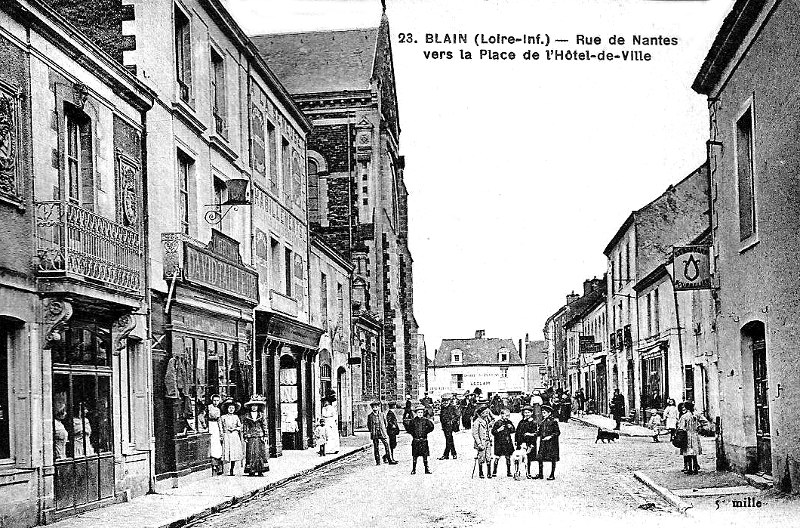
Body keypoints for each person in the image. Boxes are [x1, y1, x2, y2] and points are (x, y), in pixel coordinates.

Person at [677, 401, 709, 474]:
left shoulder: (684, 416)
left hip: (686, 435)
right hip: (694, 435)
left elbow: (681, 427)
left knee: (688, 452)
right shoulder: (696, 415)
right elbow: (705, 421)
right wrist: (700, 427)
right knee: (694, 452)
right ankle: (695, 469)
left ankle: (690, 469)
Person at [242, 396, 269, 476]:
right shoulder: (247, 415)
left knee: (260, 453)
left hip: (259, 435)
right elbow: (245, 426)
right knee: (250, 453)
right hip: (250, 435)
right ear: (250, 407)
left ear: (258, 407)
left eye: (255, 406)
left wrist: (265, 435)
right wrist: (245, 435)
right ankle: (251, 470)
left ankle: (260, 470)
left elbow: (264, 425)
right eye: (252, 406)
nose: (254, 407)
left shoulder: (261, 415)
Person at [406, 405, 434, 474]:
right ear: (416, 413)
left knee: (425, 456)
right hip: (416, 441)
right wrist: (414, 434)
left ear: (423, 413)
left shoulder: (426, 420)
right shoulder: (413, 421)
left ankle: (426, 469)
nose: (420, 414)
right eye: (419, 412)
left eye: (421, 412)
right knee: (415, 456)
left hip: (423, 440)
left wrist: (426, 432)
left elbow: (431, 427)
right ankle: (414, 469)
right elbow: (409, 429)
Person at [534, 404, 560, 480]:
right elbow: (539, 432)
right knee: (540, 457)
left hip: (551, 443)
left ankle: (552, 474)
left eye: (544, 412)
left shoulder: (554, 422)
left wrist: (550, 437)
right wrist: (532, 434)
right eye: (542, 412)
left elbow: (557, 432)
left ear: (549, 413)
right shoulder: (542, 422)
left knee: (552, 458)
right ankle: (540, 474)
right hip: (543, 443)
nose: (543, 414)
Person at [219, 399, 243, 476]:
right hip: (227, 436)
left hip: (234, 436)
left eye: (232, 408)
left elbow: (240, 426)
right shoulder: (223, 417)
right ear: (227, 409)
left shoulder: (236, 417)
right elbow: (220, 427)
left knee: (234, 452)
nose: (231, 409)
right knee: (227, 452)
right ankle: (226, 469)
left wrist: (235, 429)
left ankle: (232, 469)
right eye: (229, 408)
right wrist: (222, 434)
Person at [491, 408, 516, 477]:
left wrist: (511, 427)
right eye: (506, 415)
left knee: (508, 457)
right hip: (499, 443)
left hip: (507, 442)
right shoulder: (497, 423)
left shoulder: (509, 422)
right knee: (497, 457)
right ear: (501, 415)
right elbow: (493, 432)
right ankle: (494, 471)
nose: (507, 417)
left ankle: (509, 472)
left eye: (508, 416)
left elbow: (513, 431)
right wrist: (498, 430)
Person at [515, 406, 539, 478]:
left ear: (531, 413)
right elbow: (517, 432)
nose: (526, 414)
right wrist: (516, 441)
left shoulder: (533, 423)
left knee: (529, 458)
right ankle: (517, 472)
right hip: (521, 443)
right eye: (525, 412)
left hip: (529, 443)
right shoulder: (521, 422)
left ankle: (528, 472)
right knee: (518, 458)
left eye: (528, 412)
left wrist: (531, 445)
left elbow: (535, 434)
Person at [472, 406, 493, 479]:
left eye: (487, 412)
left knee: (488, 456)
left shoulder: (486, 420)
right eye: (485, 413)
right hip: (481, 443)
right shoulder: (477, 422)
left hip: (488, 441)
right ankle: (481, 472)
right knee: (481, 457)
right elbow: (475, 434)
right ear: (481, 414)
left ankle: (489, 472)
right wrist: (479, 444)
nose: (487, 414)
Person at [438, 395, 459, 460]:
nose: (445, 403)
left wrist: (452, 421)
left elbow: (457, 415)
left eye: (447, 401)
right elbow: (441, 417)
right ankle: (453, 454)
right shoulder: (442, 408)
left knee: (449, 439)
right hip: (444, 426)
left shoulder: (452, 407)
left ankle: (447, 454)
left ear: (449, 401)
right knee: (449, 439)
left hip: (450, 426)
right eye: (444, 401)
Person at [207, 394, 223, 475]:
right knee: (211, 443)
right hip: (210, 425)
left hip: (215, 426)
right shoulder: (209, 407)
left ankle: (217, 464)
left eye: (217, 400)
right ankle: (213, 464)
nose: (216, 402)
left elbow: (219, 420)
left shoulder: (218, 409)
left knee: (216, 444)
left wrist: (221, 432)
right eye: (214, 400)